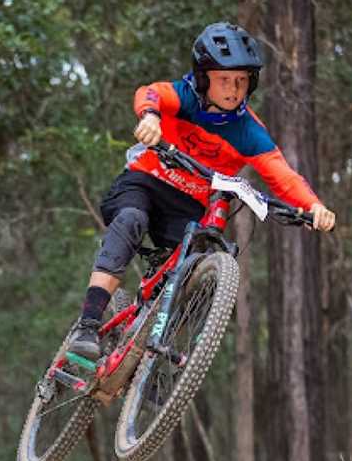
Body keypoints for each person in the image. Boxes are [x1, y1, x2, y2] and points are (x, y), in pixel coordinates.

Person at [67, 22, 336, 360]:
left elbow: (283, 176)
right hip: (145, 183)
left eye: (241, 81)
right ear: (204, 77)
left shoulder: (249, 131)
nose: (233, 90)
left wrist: (313, 207)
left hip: (185, 207)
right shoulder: (184, 96)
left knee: (200, 271)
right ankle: (88, 324)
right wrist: (150, 117)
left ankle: (152, 360)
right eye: (225, 80)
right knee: (131, 219)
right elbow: (150, 93)